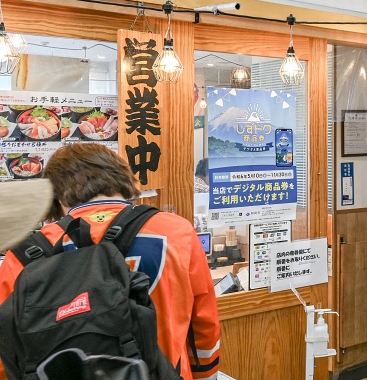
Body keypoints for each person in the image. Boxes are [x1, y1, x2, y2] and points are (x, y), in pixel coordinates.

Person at [0, 144, 221, 380]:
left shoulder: (24, 254)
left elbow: (7, 348)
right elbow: (202, 322)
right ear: (122, 176)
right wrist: (205, 373)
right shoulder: (177, 232)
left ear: (55, 194)